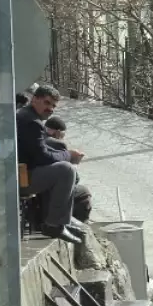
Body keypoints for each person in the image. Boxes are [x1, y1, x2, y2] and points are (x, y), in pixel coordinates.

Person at [16, 84, 84, 244]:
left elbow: (41, 149)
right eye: (47, 103)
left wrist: (64, 153)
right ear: (35, 99)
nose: (50, 109)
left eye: (53, 106)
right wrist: (69, 156)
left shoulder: (29, 116)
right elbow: (42, 157)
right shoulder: (31, 121)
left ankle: (58, 220)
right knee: (66, 171)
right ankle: (53, 225)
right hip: (19, 179)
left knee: (61, 162)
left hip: (20, 173)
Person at [42, 116, 94, 223]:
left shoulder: (35, 138)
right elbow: (73, 179)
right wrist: (74, 163)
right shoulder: (56, 143)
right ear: (58, 133)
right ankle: (79, 224)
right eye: (63, 135)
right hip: (45, 189)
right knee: (83, 193)